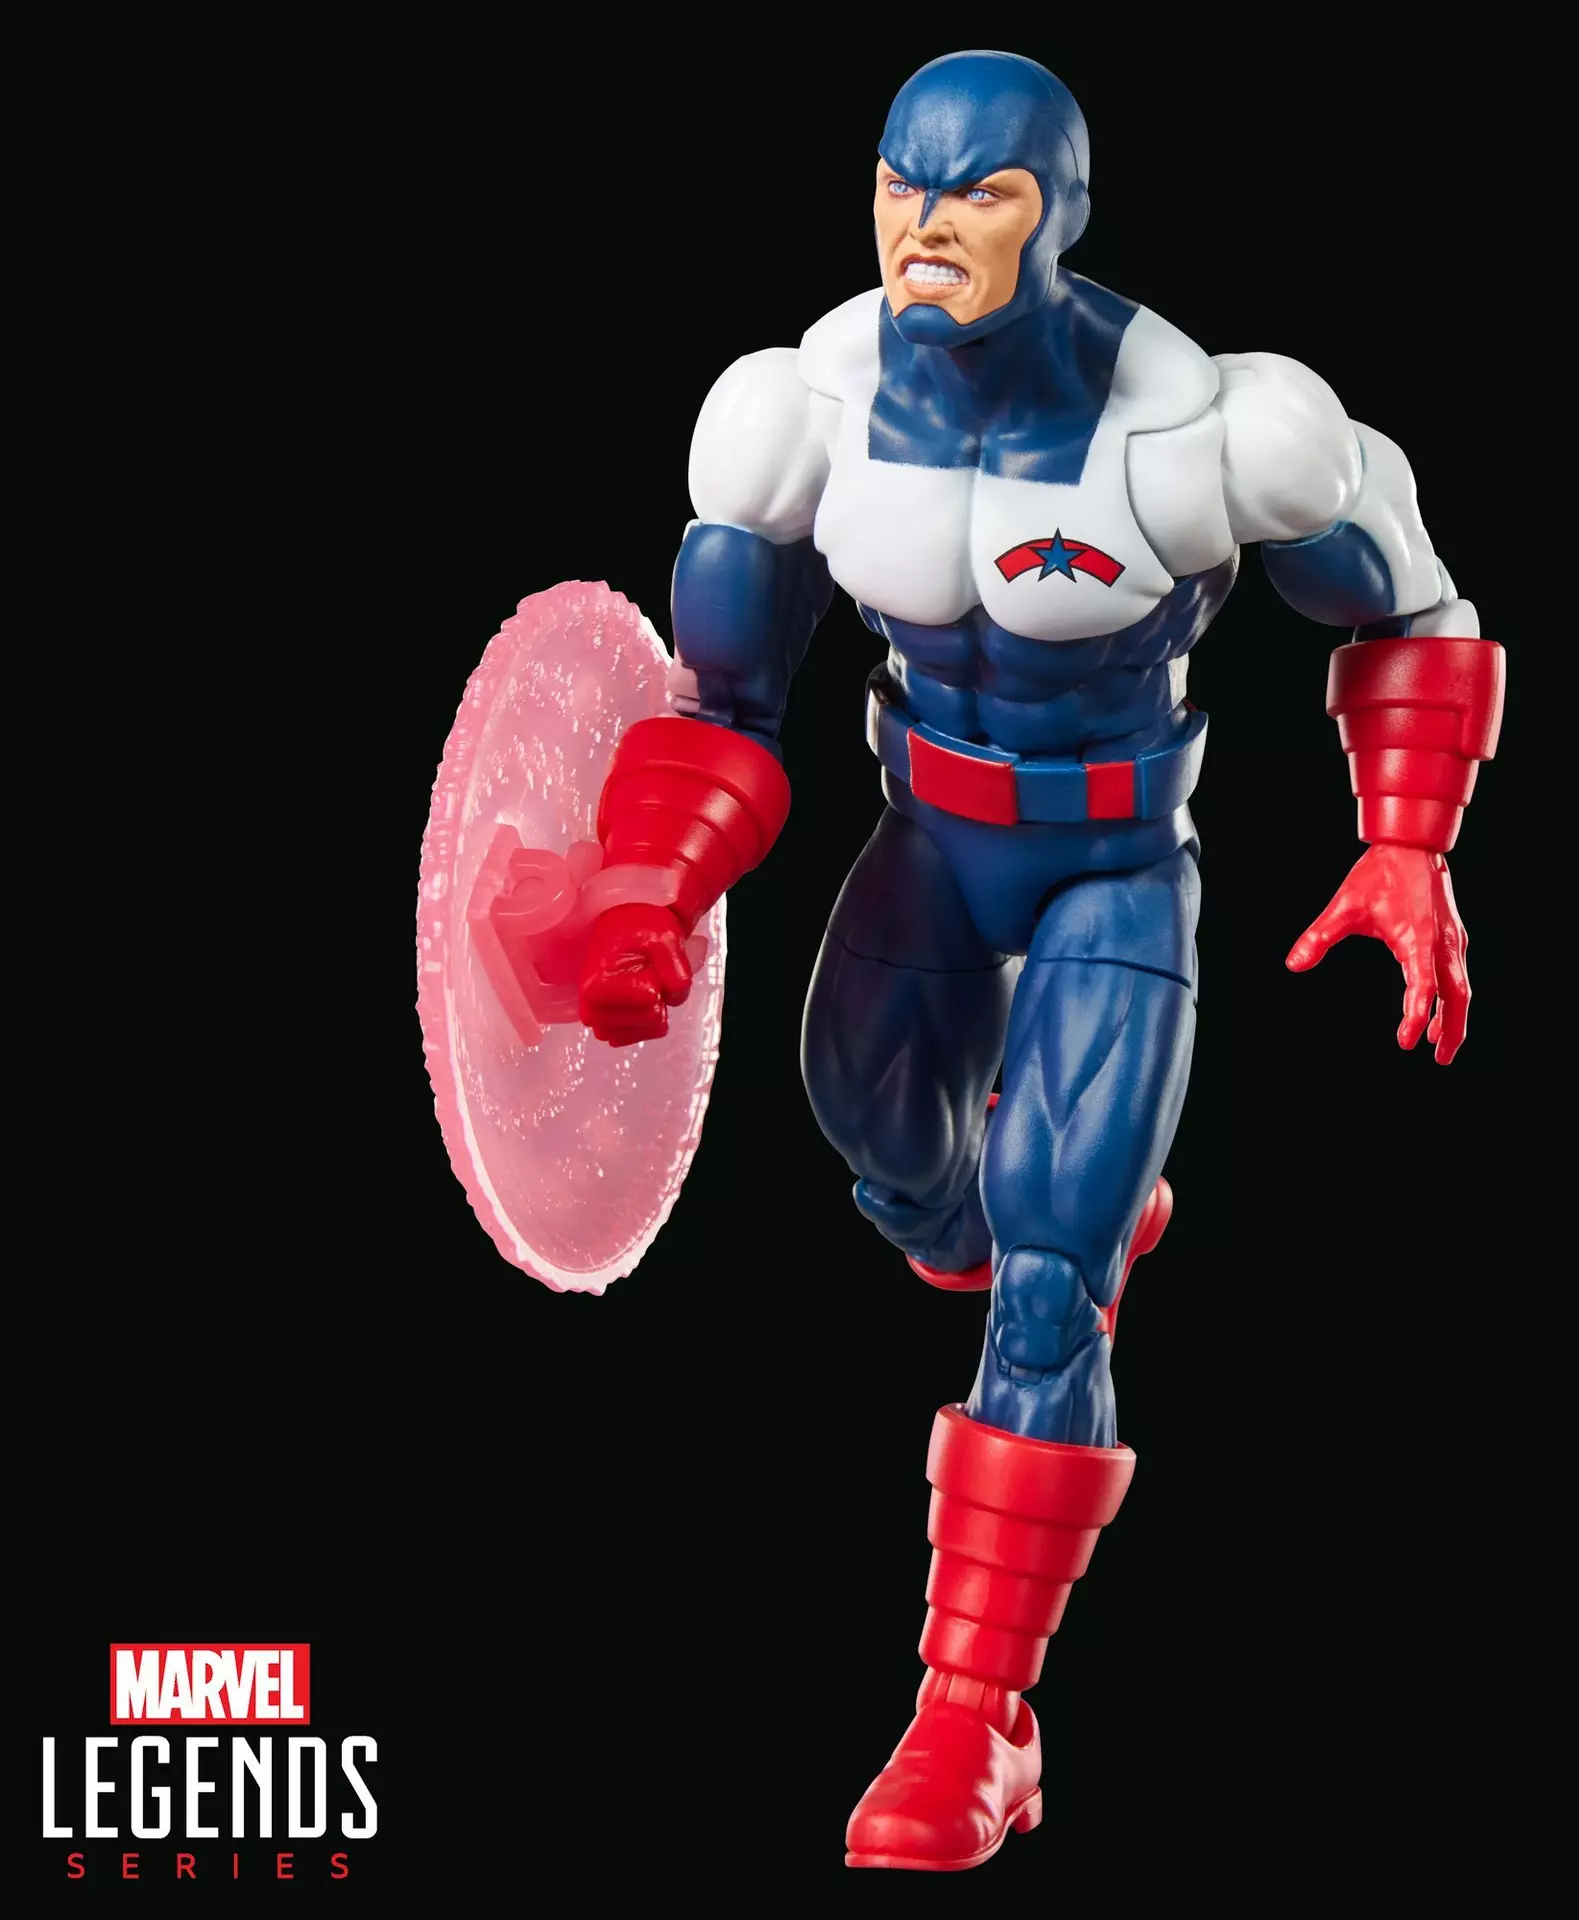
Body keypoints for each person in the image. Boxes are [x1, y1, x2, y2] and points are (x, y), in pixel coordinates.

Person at [576, 49, 1504, 1872]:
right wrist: (643, 894)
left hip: (1110, 873)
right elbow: (724, 708)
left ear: (1058, 214)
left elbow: (1412, 596)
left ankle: (974, 1720)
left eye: (979, 193)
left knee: (1052, 1271)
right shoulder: (798, 410)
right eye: (901, 186)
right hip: (925, 843)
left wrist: (1409, 840)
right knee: (871, 1127)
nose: (926, 228)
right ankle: (988, 1221)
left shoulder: (1205, 428)